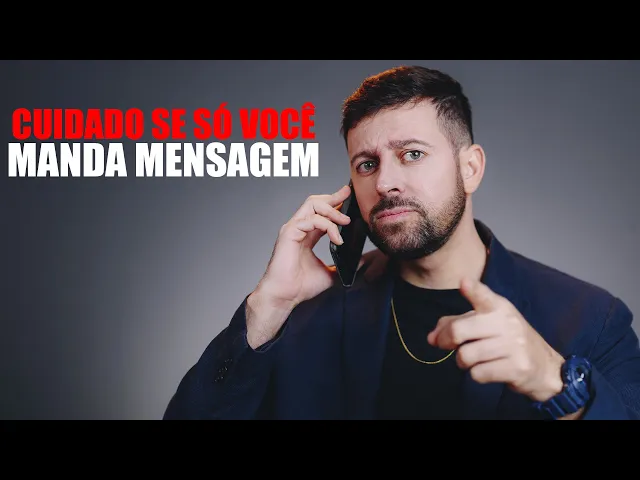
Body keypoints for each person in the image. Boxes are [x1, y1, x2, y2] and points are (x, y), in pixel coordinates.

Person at [163, 65, 640, 420]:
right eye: (367, 164)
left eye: (412, 154)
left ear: (470, 168)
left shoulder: (592, 320)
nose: (385, 182)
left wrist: (558, 385)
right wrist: (268, 306)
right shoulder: (306, 314)